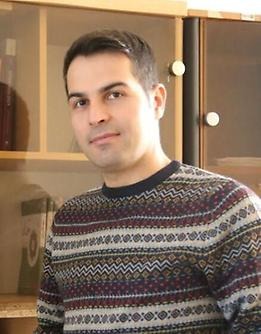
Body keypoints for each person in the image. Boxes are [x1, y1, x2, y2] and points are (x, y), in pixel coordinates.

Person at [34, 30, 261, 333]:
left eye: (114, 94)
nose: (96, 116)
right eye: (80, 102)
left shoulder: (224, 207)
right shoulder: (68, 222)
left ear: (156, 100)